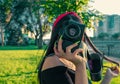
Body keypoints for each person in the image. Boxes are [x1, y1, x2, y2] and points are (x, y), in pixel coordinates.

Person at [38, 12, 120, 84]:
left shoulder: (74, 60)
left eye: (77, 32)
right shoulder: (53, 62)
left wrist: (108, 77)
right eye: (68, 32)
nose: (72, 37)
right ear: (58, 34)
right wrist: (80, 64)